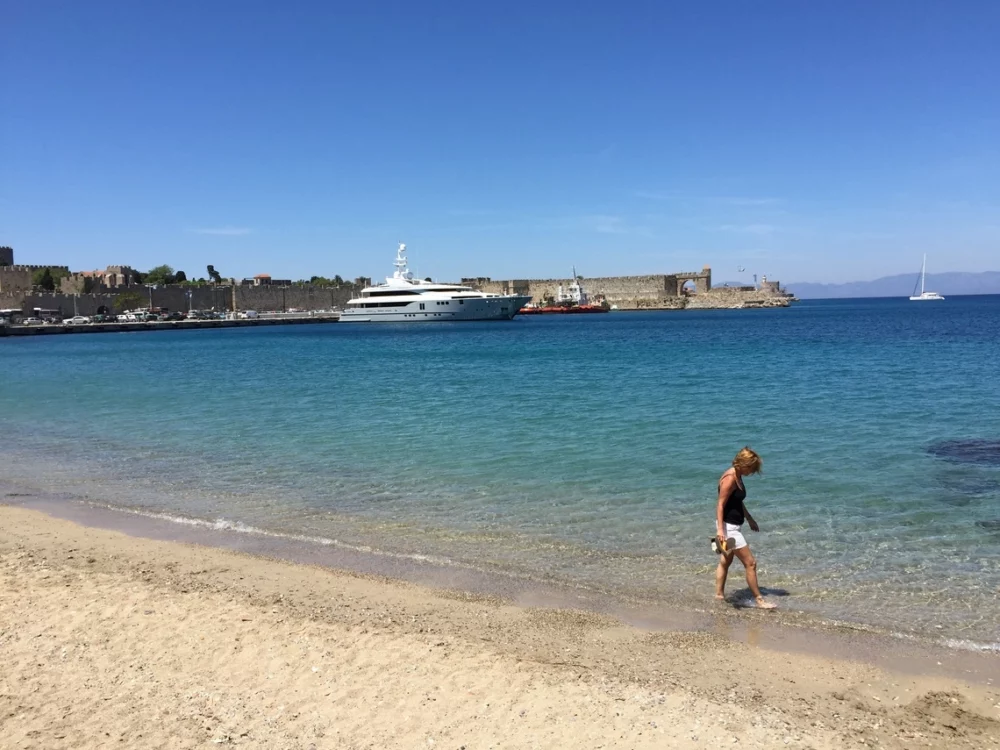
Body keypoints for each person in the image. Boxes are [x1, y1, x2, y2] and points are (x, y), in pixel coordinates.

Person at [714, 446, 776, 609]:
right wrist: (720, 531)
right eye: (752, 468)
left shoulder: (737, 475)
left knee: (725, 561)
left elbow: (736, 501)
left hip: (732, 526)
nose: (753, 472)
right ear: (744, 464)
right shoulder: (730, 478)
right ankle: (759, 600)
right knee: (750, 563)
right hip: (729, 529)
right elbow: (720, 504)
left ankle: (719, 595)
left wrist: (749, 518)